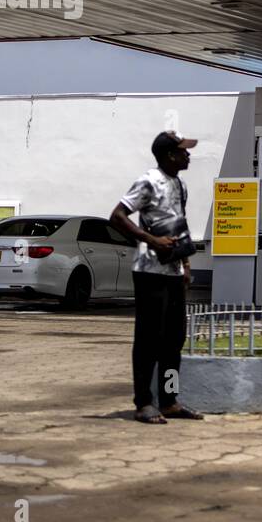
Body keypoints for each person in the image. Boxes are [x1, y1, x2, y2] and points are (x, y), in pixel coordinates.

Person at [110, 131, 205, 425]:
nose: (188, 155)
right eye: (183, 151)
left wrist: (186, 264)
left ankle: (170, 399)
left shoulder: (180, 184)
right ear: (169, 155)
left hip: (173, 271)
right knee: (148, 339)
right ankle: (143, 402)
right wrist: (151, 240)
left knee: (174, 339)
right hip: (149, 272)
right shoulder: (148, 181)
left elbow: (179, 224)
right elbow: (118, 216)